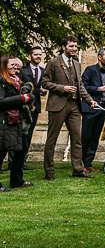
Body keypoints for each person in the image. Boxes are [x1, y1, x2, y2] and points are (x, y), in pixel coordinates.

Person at [42, 36, 97, 180]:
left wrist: (89, 100)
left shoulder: (77, 64)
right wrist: (63, 88)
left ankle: (78, 169)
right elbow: (45, 82)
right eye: (71, 46)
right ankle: (49, 171)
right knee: (51, 139)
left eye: (75, 46)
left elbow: (81, 86)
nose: (74, 49)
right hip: (58, 105)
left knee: (77, 138)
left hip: (74, 106)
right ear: (63, 47)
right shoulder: (53, 62)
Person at [0, 56, 35, 190]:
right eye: (12, 65)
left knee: (22, 150)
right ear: (4, 66)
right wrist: (22, 98)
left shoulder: (15, 80)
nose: (16, 68)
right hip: (4, 122)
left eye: (17, 66)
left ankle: (17, 180)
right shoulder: (2, 80)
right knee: (1, 152)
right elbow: (1, 101)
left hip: (16, 122)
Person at [80, 47, 105, 172]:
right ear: (100, 57)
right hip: (90, 108)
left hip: (103, 109)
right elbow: (83, 86)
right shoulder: (90, 70)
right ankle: (81, 163)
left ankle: (89, 163)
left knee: (95, 137)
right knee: (86, 137)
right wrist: (99, 89)